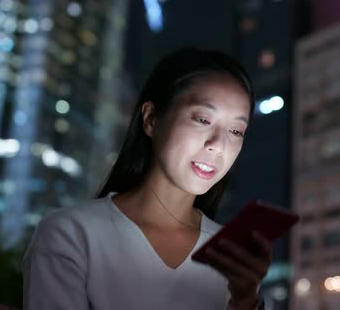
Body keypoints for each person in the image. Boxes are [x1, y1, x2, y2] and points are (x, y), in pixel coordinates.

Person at [23, 48, 270, 309]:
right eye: (202, 119)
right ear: (151, 119)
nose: (218, 145)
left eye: (235, 131)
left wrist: (246, 301)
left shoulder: (231, 256)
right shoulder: (71, 234)